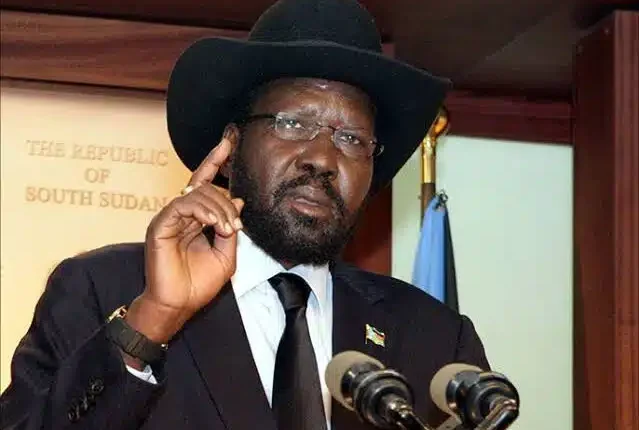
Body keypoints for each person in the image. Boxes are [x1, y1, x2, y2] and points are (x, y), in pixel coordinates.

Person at [0, 0, 489, 429]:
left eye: (351, 139)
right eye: (292, 123)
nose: (322, 158)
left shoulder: (433, 337)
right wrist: (154, 319)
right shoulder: (101, 289)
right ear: (231, 148)